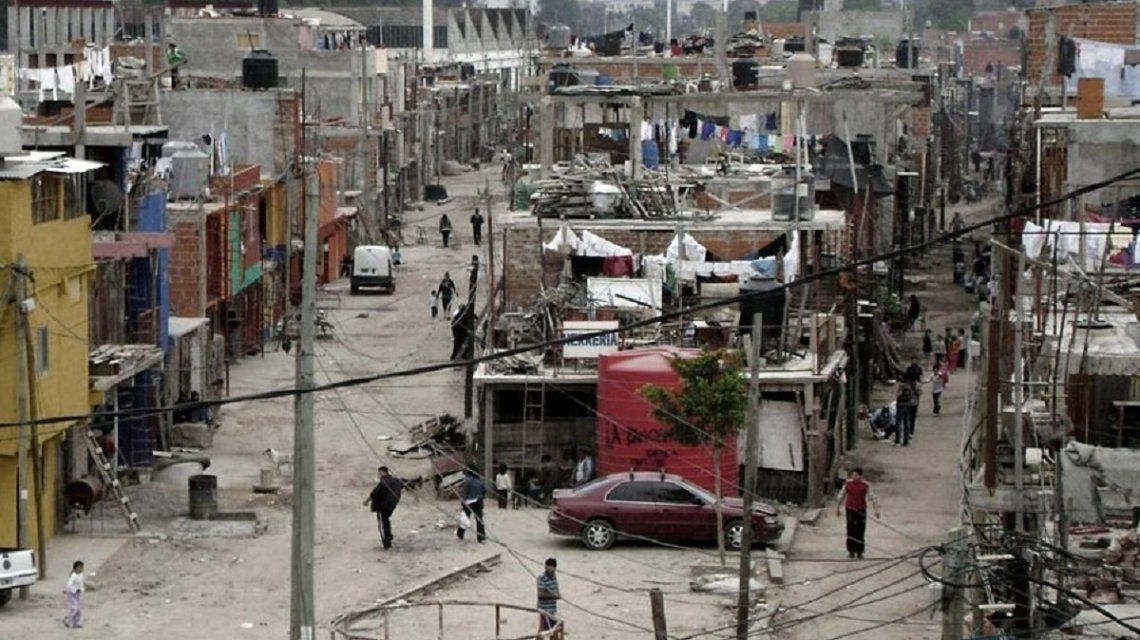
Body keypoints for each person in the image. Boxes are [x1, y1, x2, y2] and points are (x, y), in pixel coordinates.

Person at [835, 468, 880, 559]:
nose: (854, 477)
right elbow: (841, 496)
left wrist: (876, 510)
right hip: (850, 509)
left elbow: (872, 497)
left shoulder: (865, 485)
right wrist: (838, 508)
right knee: (851, 529)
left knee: (860, 530)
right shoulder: (847, 484)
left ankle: (860, 551)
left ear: (860, 476)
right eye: (853, 475)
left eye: (856, 475)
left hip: (861, 509)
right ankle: (851, 551)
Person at [362, 465, 403, 549]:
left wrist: (366, 502)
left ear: (381, 472)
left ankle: (386, 542)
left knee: (382, 523)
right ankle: (389, 536)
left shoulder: (383, 482)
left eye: (379, 473)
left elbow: (374, 493)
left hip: (382, 506)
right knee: (386, 520)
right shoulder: (396, 480)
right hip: (392, 505)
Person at [456, 467, 486, 542]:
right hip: (478, 501)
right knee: (479, 520)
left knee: (465, 518)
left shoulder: (467, 480)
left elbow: (464, 493)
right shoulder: (480, 480)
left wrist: (462, 502)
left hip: (468, 502)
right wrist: (481, 498)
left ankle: (460, 534)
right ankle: (481, 538)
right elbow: (484, 491)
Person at [536, 558, 561, 633]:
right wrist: (555, 596)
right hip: (544, 610)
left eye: (549, 569)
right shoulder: (541, 577)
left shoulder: (554, 576)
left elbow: (555, 590)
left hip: (552, 610)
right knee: (543, 630)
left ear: (554, 568)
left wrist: (557, 594)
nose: (547, 570)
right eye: (546, 568)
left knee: (553, 630)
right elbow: (540, 595)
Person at [895, 370, 918, 446]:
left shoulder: (901, 386)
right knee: (906, 423)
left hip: (901, 405)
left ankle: (897, 440)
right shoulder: (910, 386)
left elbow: (899, 395)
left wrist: (898, 398)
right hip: (909, 406)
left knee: (898, 423)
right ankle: (906, 441)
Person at [63, 560, 85, 628]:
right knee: (75, 608)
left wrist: (81, 589)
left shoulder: (80, 575)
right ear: (76, 568)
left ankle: (76, 623)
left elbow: (80, 584)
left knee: (78, 609)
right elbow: (69, 585)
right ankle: (68, 620)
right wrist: (74, 590)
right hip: (71, 594)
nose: (82, 569)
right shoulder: (73, 575)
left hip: (77, 594)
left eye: (82, 567)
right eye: (80, 567)